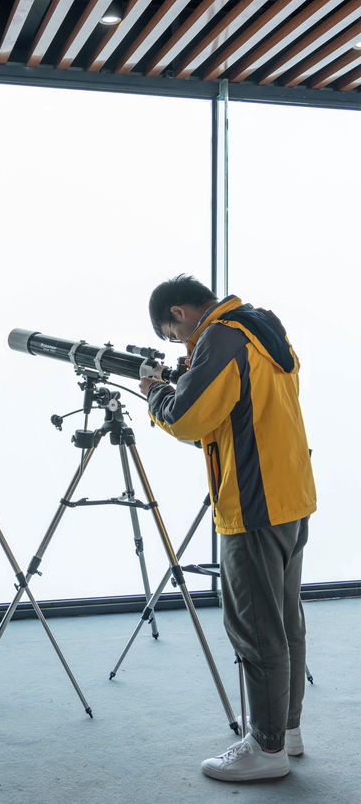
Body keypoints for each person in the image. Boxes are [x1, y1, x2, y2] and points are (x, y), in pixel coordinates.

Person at [139, 274, 316, 782]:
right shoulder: (263, 327)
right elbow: (238, 411)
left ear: (179, 312)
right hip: (291, 494)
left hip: (253, 502)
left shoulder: (220, 337)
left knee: (256, 627)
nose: (181, 346)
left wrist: (155, 395)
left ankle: (266, 748)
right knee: (285, 620)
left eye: (174, 336)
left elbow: (188, 418)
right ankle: (287, 729)